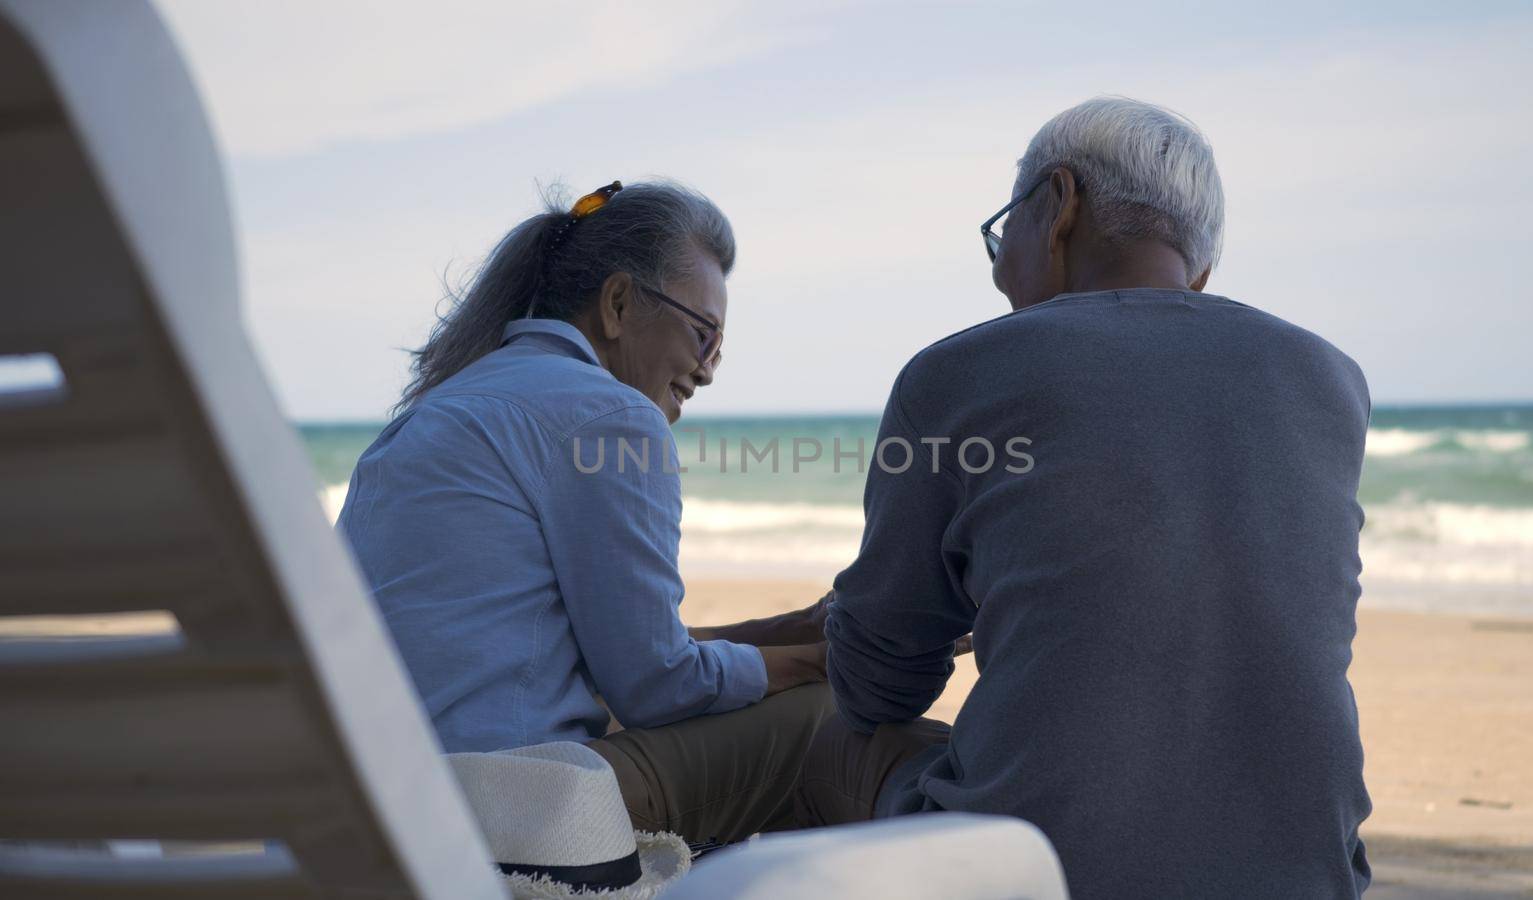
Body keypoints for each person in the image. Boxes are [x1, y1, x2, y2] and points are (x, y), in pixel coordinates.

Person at [795, 97, 1373, 898]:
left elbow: (877, 685)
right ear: (1196, 273)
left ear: (1058, 203)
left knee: (833, 749)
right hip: (1311, 876)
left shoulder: (954, 376)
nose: (1001, 276)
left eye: (1003, 237)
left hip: (1039, 875)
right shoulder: (1331, 379)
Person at [337, 180, 833, 844]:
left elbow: (622, 652)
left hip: (384, 805)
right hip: (503, 810)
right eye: (703, 332)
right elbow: (657, 686)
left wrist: (796, 627)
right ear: (620, 303)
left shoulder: (437, 411)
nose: (710, 368)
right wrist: (825, 662)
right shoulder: (608, 416)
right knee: (831, 720)